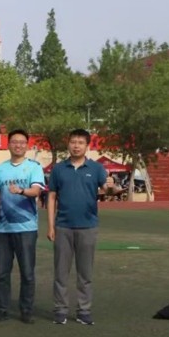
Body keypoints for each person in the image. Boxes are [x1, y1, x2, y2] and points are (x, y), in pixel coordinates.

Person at [47, 129, 107, 325]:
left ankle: (84, 310)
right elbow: (52, 197)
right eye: (73, 142)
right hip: (63, 226)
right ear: (68, 144)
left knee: (85, 273)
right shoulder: (58, 169)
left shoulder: (96, 168)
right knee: (61, 273)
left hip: (88, 226)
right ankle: (60, 309)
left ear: (87, 146)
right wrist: (51, 226)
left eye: (81, 142)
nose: (76, 146)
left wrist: (112, 187)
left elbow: (106, 189)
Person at [0, 129, 45, 324]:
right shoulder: (0, 169)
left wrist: (21, 190)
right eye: (14, 142)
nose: (18, 145)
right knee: (2, 274)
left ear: (26, 145)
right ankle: (2, 310)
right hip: (3, 230)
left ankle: (26, 311)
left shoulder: (34, 167)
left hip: (26, 228)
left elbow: (36, 191)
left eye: (22, 142)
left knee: (27, 273)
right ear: (8, 145)